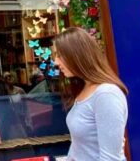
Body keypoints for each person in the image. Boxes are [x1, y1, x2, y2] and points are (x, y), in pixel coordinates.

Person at [54, 28, 128, 161]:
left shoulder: (106, 94)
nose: (56, 62)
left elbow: (110, 159)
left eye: (60, 55)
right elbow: (79, 148)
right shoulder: (84, 89)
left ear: (77, 55)